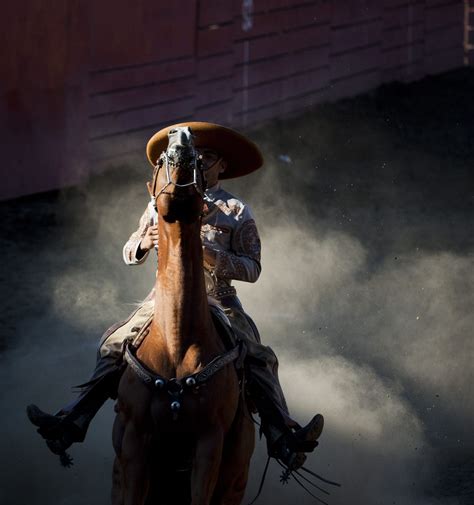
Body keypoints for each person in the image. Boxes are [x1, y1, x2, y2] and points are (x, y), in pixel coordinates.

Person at [27, 122, 323, 470]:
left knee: (260, 357)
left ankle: (281, 434)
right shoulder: (158, 202)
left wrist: (208, 254)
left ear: (222, 165)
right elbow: (128, 250)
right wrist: (144, 243)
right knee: (113, 343)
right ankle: (75, 418)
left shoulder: (237, 212)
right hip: (162, 300)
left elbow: (252, 269)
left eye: (208, 156)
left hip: (221, 302)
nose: (199, 161)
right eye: (196, 155)